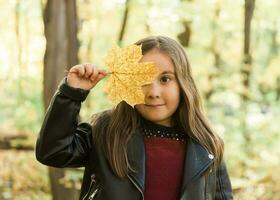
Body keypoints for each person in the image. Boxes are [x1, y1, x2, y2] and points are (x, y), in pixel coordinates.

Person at [36, 36, 233, 200]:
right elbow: (53, 151)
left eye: (165, 79)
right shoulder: (106, 131)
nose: (153, 92)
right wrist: (71, 94)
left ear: (184, 84)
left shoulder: (207, 147)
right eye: (142, 81)